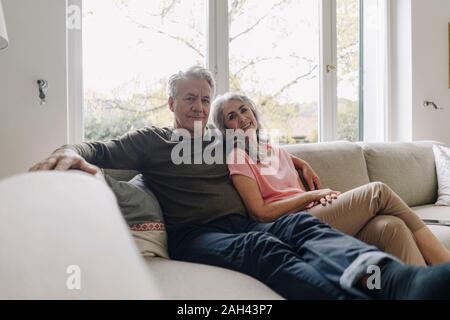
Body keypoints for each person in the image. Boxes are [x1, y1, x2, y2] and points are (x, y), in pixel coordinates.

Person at [29, 66, 450, 300]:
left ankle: (398, 281)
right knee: (264, 248)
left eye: (205, 99)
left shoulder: (226, 140)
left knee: (305, 227)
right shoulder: (151, 141)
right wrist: (66, 151)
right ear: (171, 102)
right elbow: (96, 148)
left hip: (248, 223)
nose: (198, 106)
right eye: (189, 98)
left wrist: (299, 161)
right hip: (196, 234)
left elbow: (267, 150)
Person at [211, 92, 450, 267]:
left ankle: (424, 289)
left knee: (391, 227)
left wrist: (301, 163)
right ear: (226, 128)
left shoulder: (274, 149)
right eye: (232, 116)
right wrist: (313, 194)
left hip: (320, 214)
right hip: (298, 225)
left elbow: (277, 158)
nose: (242, 118)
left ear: (253, 112)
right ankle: (443, 268)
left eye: (244, 109)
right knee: (378, 192)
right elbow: (260, 212)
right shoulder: (237, 157)